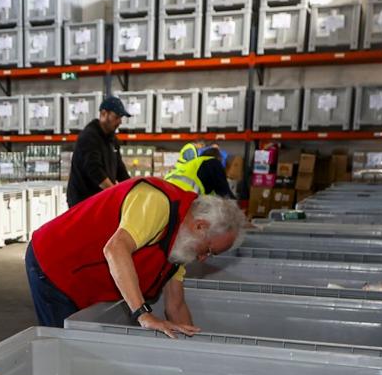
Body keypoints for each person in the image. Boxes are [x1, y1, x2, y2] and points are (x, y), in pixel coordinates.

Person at [26, 177, 245, 334]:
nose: (203, 258)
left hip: (85, 276)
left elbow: (175, 306)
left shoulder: (181, 245)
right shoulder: (157, 203)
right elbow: (115, 249)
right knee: (63, 347)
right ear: (200, 226)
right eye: (208, 250)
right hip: (54, 264)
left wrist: (194, 353)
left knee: (82, 344)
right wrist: (143, 313)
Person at [66, 96, 130, 208]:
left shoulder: (112, 139)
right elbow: (95, 170)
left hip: (100, 199)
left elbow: (120, 170)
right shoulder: (89, 137)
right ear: (104, 114)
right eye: (117, 117)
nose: (120, 121)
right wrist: (115, 193)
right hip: (83, 203)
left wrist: (133, 188)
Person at [165, 142, 234, 199]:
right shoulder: (214, 162)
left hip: (166, 190)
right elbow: (225, 193)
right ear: (218, 158)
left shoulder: (195, 163)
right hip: (182, 195)